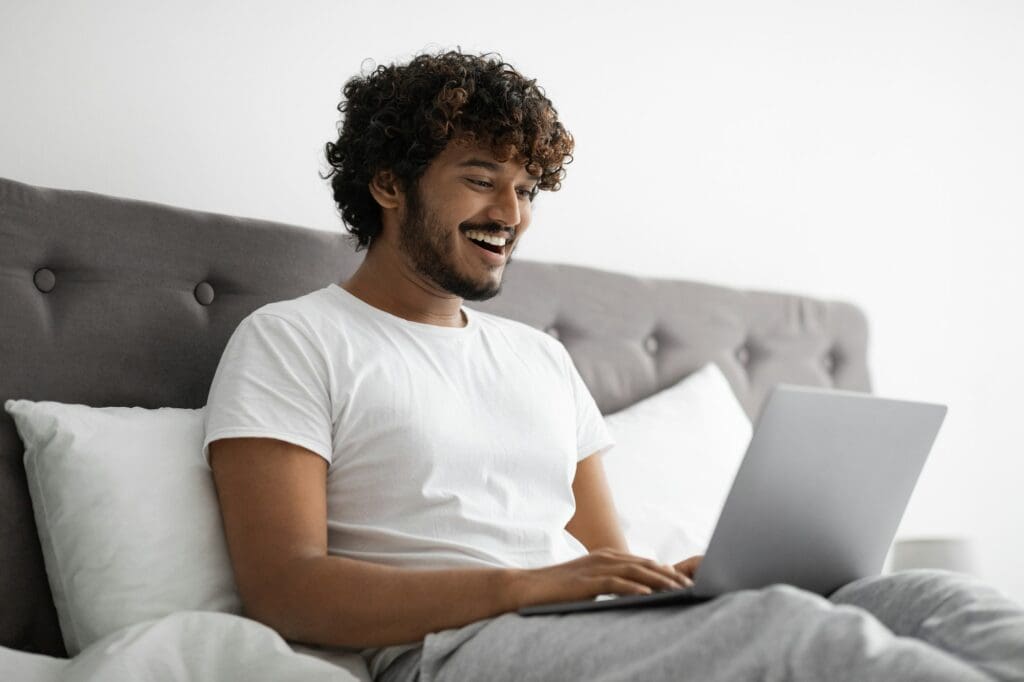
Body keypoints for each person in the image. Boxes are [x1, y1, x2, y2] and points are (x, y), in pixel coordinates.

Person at [203, 50, 1024, 682]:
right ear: (387, 183)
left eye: (526, 189)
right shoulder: (294, 340)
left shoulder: (540, 359)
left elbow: (604, 559)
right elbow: (286, 590)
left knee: (927, 599)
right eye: (480, 180)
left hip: (575, 628)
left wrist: (678, 584)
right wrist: (522, 587)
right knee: (798, 637)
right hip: (450, 651)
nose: (510, 215)